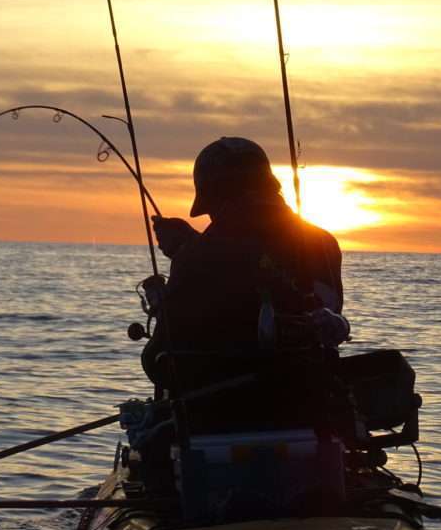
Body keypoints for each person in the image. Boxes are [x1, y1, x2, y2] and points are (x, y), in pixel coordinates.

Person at [141, 137, 350, 430]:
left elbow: (162, 358)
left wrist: (189, 252)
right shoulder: (323, 243)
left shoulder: (196, 256)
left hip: (219, 419)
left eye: (212, 207)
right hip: (309, 408)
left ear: (222, 198)